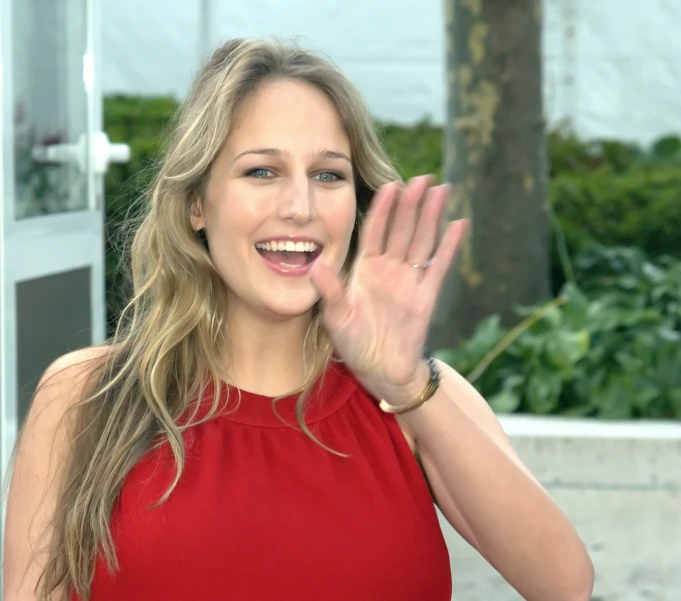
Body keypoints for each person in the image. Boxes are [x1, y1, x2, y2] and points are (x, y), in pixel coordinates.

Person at [4, 38, 594, 601]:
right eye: (261, 171)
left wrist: (405, 384)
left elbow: (564, 584)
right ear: (195, 205)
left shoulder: (417, 400)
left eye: (328, 175)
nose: (300, 207)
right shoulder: (85, 398)